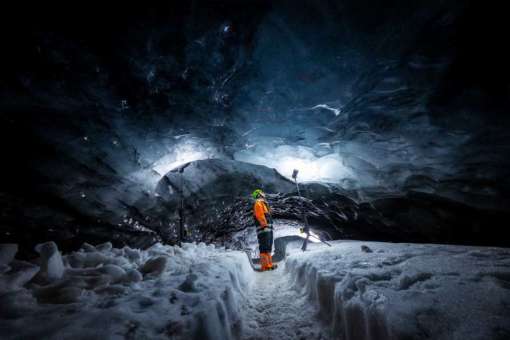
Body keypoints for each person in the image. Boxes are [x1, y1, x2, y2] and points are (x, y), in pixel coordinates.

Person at [252, 189, 277, 271]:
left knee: (268, 247)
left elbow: (266, 215)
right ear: (259, 194)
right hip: (264, 229)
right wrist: (264, 225)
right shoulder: (258, 203)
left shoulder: (263, 204)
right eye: (261, 192)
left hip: (267, 229)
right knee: (264, 248)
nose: (263, 193)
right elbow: (260, 216)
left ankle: (269, 265)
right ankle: (265, 266)